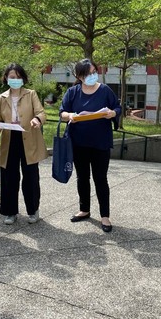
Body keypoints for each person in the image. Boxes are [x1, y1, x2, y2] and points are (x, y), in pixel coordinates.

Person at [59, 59, 121, 232]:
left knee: (100, 178)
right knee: (82, 177)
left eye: (94, 71)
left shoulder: (105, 90)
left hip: (100, 142)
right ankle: (84, 209)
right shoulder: (72, 92)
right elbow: (62, 111)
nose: (92, 76)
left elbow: (117, 107)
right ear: (79, 76)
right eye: (87, 73)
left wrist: (112, 113)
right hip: (78, 142)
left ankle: (105, 216)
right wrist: (70, 115)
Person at [0, 64, 47, 225]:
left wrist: (37, 119)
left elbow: (41, 112)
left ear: (23, 78)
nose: (15, 80)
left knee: (30, 177)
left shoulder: (31, 94)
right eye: (11, 77)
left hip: (28, 137)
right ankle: (10, 212)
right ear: (6, 78)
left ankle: (33, 210)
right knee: (9, 177)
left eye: (17, 77)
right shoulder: (2, 98)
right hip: (9, 139)